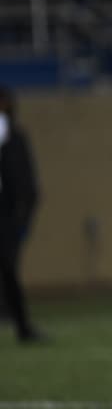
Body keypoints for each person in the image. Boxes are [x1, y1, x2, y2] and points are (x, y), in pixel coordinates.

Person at [0, 85, 42, 343]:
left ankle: (21, 324)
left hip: (5, 212)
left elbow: (24, 182)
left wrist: (22, 216)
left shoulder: (12, 136)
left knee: (8, 268)